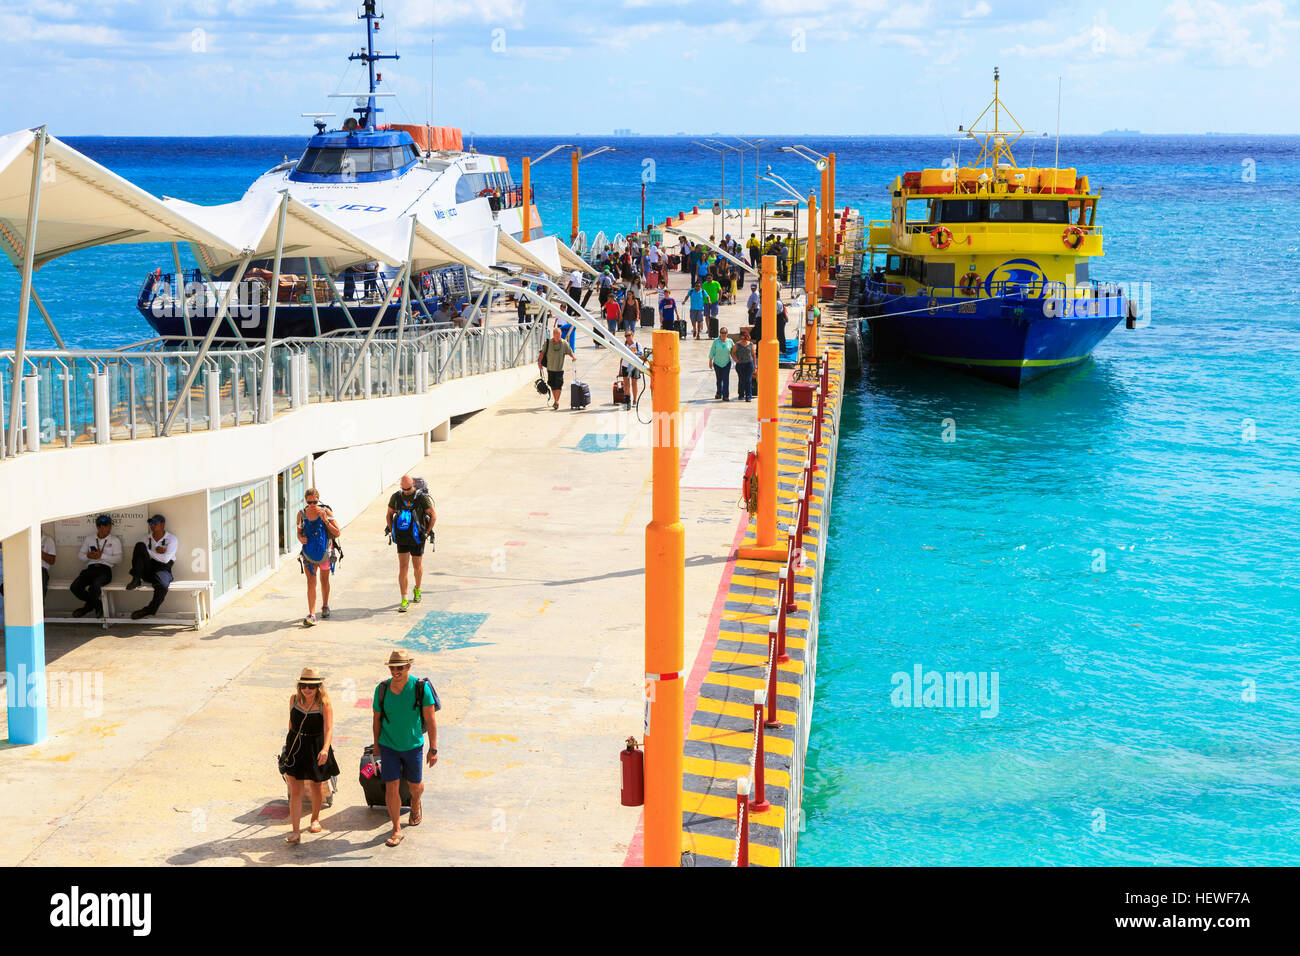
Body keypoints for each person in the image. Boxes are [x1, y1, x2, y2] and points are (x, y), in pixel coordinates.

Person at [372, 649, 438, 847]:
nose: (395, 671)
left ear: (408, 667)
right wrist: (376, 745)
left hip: (413, 746)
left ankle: (415, 804)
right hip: (388, 746)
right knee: (391, 786)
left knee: (414, 786)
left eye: (399, 667)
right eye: (392, 667)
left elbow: (431, 719)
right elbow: (376, 719)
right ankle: (396, 829)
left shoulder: (420, 687)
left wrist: (433, 748)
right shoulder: (381, 689)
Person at [282, 667, 339, 844]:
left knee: (316, 786)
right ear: (299, 686)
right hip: (296, 746)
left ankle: (315, 818)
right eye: (304, 685)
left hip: (316, 746)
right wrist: (288, 749)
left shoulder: (324, 704)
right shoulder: (293, 700)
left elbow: (329, 729)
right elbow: (291, 725)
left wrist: (325, 749)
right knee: (295, 789)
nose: (307, 689)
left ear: (318, 687)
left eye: (311, 686)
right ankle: (295, 831)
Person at [386, 475, 436, 612]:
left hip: (417, 537)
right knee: (403, 567)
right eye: (404, 489)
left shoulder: (422, 498)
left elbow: (433, 515)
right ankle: (404, 599)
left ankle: (418, 589)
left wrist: (427, 532)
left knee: (417, 565)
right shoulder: (396, 497)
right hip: (402, 537)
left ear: (413, 484)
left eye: (408, 489)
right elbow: (389, 514)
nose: (406, 491)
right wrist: (392, 531)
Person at [297, 490, 340, 626]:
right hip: (309, 553)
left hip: (325, 553)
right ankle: (312, 614)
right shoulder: (301, 514)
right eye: (309, 502)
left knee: (324, 580)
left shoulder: (326, 512)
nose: (312, 505)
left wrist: (325, 520)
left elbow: (337, 532)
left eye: (314, 502)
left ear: (318, 500)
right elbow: (298, 532)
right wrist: (300, 538)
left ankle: (325, 605)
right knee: (311, 582)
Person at [126, 514, 178, 620]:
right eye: (150, 523)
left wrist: (149, 552)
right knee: (140, 545)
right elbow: (142, 553)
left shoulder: (171, 539)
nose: (152, 525)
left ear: (162, 524)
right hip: (149, 568)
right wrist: (154, 553)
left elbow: (165, 559)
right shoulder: (146, 538)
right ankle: (136, 579)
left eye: (155, 523)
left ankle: (149, 609)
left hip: (163, 568)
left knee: (163, 586)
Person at [71, 515, 122, 618]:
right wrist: (88, 556)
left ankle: (88, 607)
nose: (107, 528)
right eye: (104, 526)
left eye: (108, 526)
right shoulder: (90, 539)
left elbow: (118, 559)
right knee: (75, 587)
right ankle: (97, 605)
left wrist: (101, 556)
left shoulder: (114, 540)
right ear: (98, 527)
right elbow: (80, 556)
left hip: (105, 570)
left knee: (95, 587)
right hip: (91, 568)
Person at [0, 532, 55, 601]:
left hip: (40, 570)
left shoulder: (48, 540)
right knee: (4, 587)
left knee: (39, 590)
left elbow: (52, 561)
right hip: (25, 569)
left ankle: (39, 606)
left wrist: (37, 550)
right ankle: (17, 603)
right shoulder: (24, 539)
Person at [538, 325, 576, 411]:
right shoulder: (548, 343)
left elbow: (570, 351)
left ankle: (556, 401)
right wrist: (539, 363)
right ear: (553, 334)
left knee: (558, 385)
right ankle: (556, 400)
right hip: (550, 368)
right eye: (557, 335)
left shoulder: (564, 343)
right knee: (552, 385)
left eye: (560, 335)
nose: (558, 337)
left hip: (559, 369)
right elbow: (542, 353)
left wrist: (573, 357)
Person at [618, 330, 643, 407]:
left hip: (634, 366)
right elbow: (622, 358)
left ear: (632, 335)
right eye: (626, 336)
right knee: (626, 384)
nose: (627, 337)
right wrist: (620, 370)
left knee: (634, 383)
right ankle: (627, 401)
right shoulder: (625, 346)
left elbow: (641, 355)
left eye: (629, 335)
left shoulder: (637, 344)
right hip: (625, 366)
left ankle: (635, 400)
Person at [709, 328, 735, 401]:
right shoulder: (716, 341)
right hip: (717, 363)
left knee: (726, 379)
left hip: (727, 363)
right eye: (722, 332)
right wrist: (710, 361)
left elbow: (733, 351)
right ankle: (719, 393)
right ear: (719, 333)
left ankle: (726, 396)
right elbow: (712, 351)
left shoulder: (730, 341)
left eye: (725, 332)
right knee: (719, 379)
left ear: (727, 333)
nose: (723, 334)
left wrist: (737, 359)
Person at [733, 328, 755, 402]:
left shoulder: (751, 344)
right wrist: (735, 359)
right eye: (742, 336)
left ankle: (748, 396)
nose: (743, 338)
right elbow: (732, 353)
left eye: (744, 336)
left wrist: (755, 365)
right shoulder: (737, 344)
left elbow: (753, 355)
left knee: (748, 380)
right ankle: (741, 394)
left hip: (749, 364)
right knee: (741, 380)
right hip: (740, 364)